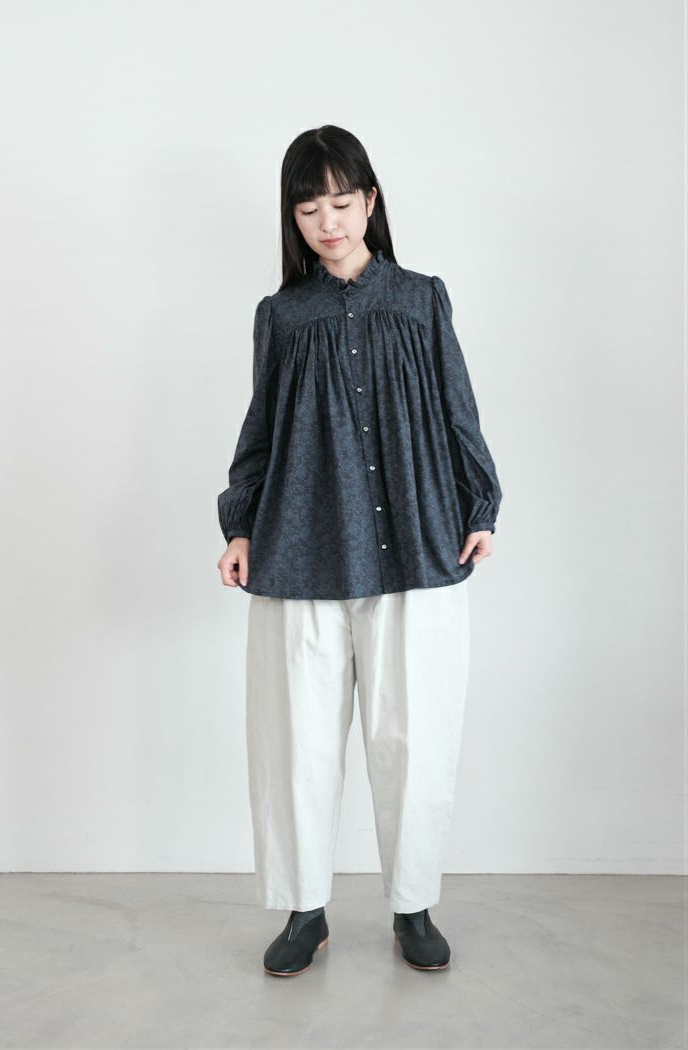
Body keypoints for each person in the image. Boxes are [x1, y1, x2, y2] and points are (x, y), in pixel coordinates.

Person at [216, 125, 503, 977]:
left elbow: (458, 407)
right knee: (297, 741)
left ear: (371, 202)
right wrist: (240, 524)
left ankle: (412, 906)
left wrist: (480, 502)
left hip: (417, 541)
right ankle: (305, 910)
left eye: (341, 203)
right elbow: (261, 431)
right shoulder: (281, 316)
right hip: (300, 547)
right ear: (292, 218)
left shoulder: (420, 299)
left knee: (411, 736)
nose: (328, 223)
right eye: (309, 209)